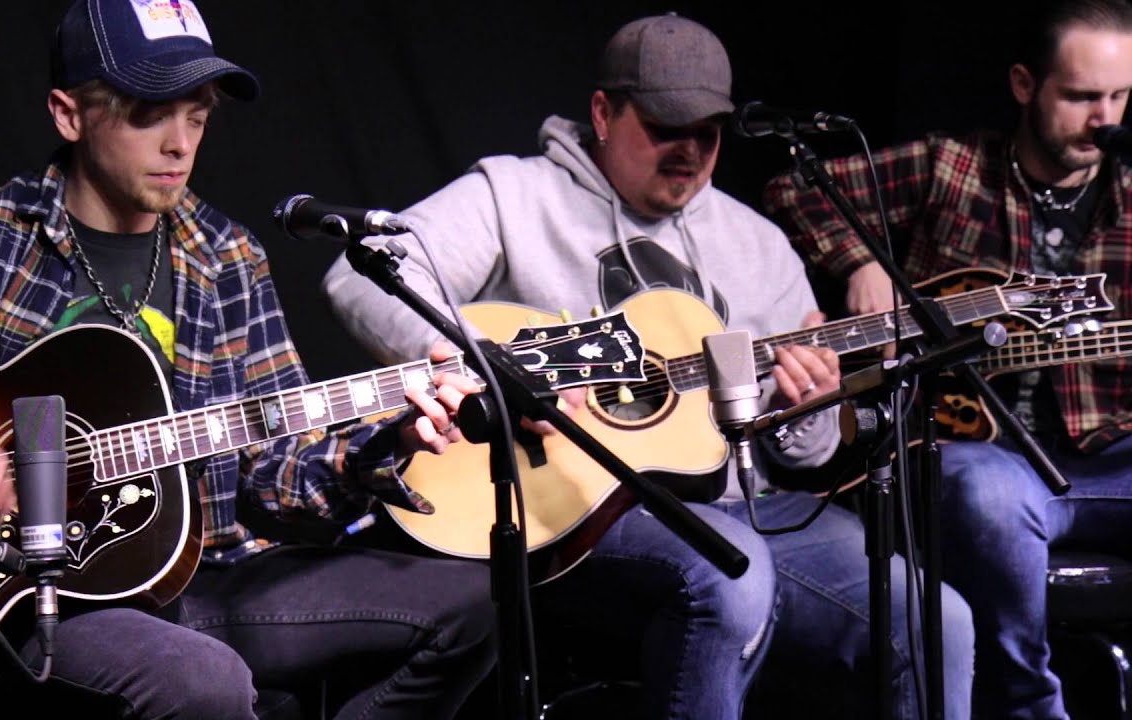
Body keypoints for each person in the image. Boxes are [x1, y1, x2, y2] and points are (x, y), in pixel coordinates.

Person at [321, 12, 974, 720]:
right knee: (732, 574)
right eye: (666, 128)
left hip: (748, 506)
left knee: (938, 620)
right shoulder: (514, 195)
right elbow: (361, 279)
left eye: (708, 132)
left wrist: (807, 407)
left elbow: (799, 452)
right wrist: (497, 376)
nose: (689, 151)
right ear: (604, 112)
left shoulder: (758, 244)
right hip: (581, 508)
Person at [0, 1, 496, 718]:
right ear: (70, 115)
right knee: (198, 680)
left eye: (197, 116)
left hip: (201, 577)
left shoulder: (225, 257)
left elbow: (277, 480)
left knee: (480, 602)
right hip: (9, 593)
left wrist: (386, 441)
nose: (179, 145)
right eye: (148, 114)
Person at [763, 0, 1132, 716]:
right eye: (1083, 96)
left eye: (1120, 96)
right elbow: (791, 189)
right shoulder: (952, 169)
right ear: (1025, 85)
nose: (1105, 119)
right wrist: (858, 259)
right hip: (973, 455)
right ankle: (1026, 708)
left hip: (1106, 457)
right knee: (990, 500)